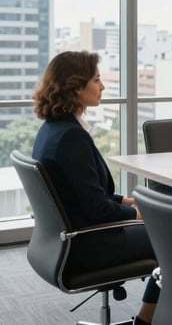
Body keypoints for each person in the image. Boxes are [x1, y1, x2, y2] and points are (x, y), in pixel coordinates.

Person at [31, 51, 159, 325]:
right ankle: (148, 320)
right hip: (88, 243)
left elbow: (82, 193)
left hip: (67, 238)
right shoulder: (70, 138)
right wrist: (140, 215)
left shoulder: (53, 129)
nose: (102, 87)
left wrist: (125, 201)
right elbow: (97, 208)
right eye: (97, 80)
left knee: (166, 230)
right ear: (75, 86)